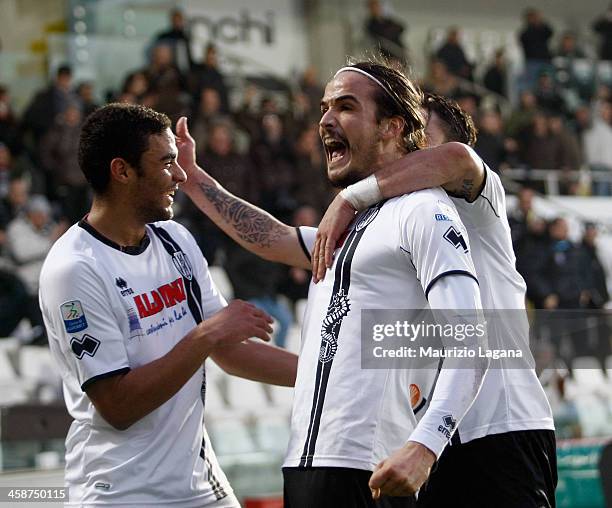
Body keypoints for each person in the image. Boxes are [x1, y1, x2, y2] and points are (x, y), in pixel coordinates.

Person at [177, 60, 490, 507]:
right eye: (324, 107)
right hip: (307, 463)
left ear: (391, 127)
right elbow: (271, 238)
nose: (325, 119)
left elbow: (472, 339)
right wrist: (194, 180)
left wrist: (426, 445)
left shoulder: (424, 211)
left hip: (369, 469)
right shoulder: (349, 224)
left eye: (345, 107)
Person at [38, 103, 297, 507]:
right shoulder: (74, 269)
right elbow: (119, 406)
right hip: (121, 492)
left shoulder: (175, 239)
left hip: (201, 484)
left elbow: (229, 354)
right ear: (122, 171)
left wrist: (328, 373)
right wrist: (207, 334)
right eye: (167, 163)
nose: (180, 174)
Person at [311, 93, 556, 507]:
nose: (405, 145)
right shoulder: (393, 223)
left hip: (502, 428)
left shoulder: (478, 202)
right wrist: (197, 178)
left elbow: (457, 159)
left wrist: (351, 196)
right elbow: (285, 241)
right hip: (431, 436)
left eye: (418, 135)